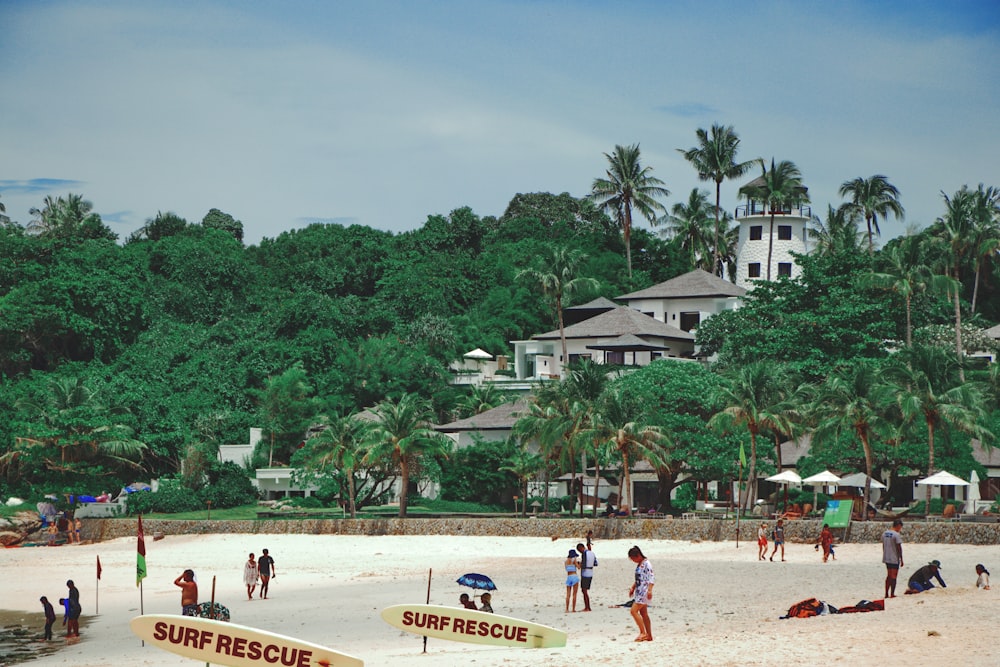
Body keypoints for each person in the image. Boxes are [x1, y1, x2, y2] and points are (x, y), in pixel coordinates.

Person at [627, 545, 654, 642]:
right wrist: (633, 588)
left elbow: (651, 578)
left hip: (644, 591)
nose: (633, 561)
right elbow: (639, 578)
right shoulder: (639, 564)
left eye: (633, 558)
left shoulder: (647, 564)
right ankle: (649, 635)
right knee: (644, 613)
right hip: (639, 591)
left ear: (638, 555)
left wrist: (650, 590)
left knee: (633, 611)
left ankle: (643, 632)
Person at [882, 519, 904, 598]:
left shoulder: (885, 533)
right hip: (894, 557)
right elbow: (899, 547)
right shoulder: (896, 535)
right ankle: (892, 593)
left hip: (886, 556)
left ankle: (886, 593)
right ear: (898, 526)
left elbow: (883, 545)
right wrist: (901, 559)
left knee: (889, 575)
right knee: (894, 576)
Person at [577, 541, 598, 612]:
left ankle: (587, 607)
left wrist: (579, 564)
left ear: (581, 548)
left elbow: (584, 565)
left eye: (579, 550)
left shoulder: (584, 553)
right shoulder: (592, 553)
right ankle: (587, 607)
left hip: (585, 573)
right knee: (585, 590)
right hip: (591, 572)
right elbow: (595, 563)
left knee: (584, 590)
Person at [564, 548, 580, 613]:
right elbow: (578, 567)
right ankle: (573, 609)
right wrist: (579, 564)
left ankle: (567, 609)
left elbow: (566, 569)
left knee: (568, 594)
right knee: (574, 594)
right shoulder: (574, 560)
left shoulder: (566, 562)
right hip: (574, 576)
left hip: (569, 577)